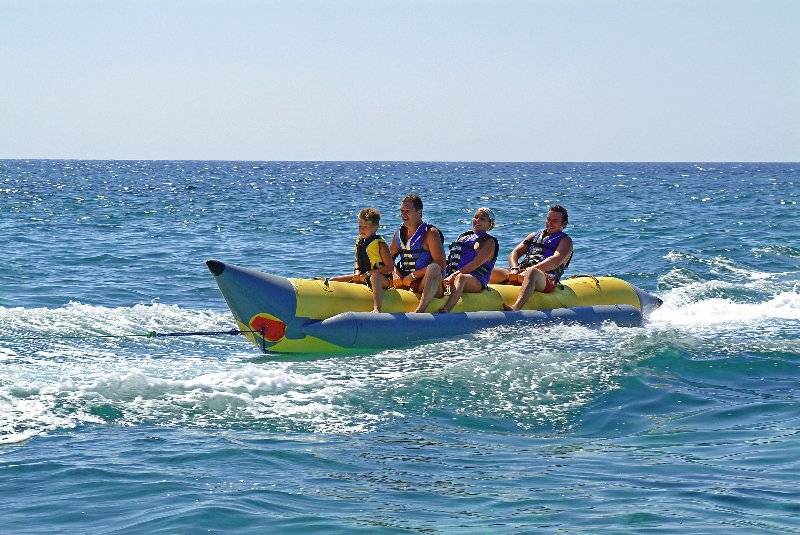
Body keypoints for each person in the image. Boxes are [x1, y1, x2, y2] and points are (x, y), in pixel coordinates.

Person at [491, 204, 573, 311]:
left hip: (545, 278)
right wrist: (514, 268)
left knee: (533, 272)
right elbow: (514, 253)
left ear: (564, 224)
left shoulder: (566, 241)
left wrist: (530, 270)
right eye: (548, 219)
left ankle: (516, 307)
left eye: (555, 220)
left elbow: (555, 260)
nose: (550, 223)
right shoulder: (534, 236)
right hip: (522, 272)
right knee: (490, 271)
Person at [389, 194, 446, 313]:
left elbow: (440, 264)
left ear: (419, 212)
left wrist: (413, 276)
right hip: (404, 282)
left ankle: (420, 311)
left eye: (407, 211)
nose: (403, 214)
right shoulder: (398, 234)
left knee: (434, 268)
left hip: (427, 283)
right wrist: (395, 274)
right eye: (402, 211)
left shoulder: (430, 233)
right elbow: (388, 259)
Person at [330, 208, 394, 312]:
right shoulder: (359, 241)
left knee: (375, 277)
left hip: (383, 280)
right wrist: (357, 272)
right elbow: (357, 260)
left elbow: (390, 267)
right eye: (360, 227)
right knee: (334, 280)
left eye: (365, 227)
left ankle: (377, 308)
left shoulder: (380, 244)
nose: (361, 230)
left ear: (375, 227)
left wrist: (370, 272)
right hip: (363, 276)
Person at [438, 207, 499, 313]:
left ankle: (447, 309)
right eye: (476, 217)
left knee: (461, 278)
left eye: (482, 219)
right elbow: (452, 259)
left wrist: (453, 276)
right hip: (453, 275)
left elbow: (475, 264)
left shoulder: (489, 242)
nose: (478, 220)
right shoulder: (464, 237)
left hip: (476, 279)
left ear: (490, 224)